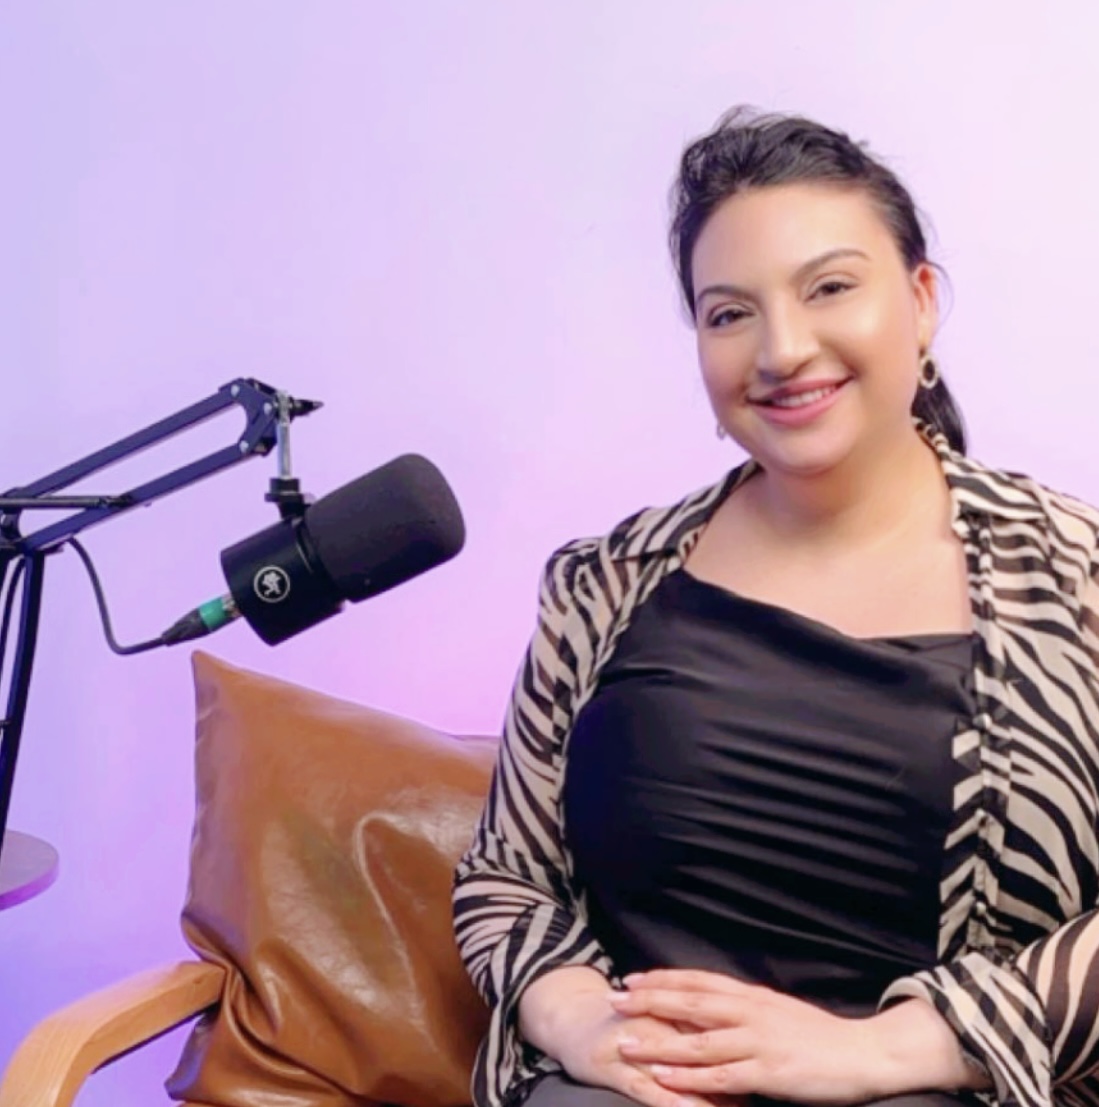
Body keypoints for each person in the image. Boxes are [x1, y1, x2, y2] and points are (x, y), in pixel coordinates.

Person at [451, 107, 1099, 1107]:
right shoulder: (606, 582)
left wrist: (885, 1050)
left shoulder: (1075, 578)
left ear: (921, 302)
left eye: (830, 287)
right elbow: (506, 879)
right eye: (728, 312)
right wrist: (578, 1020)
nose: (781, 349)